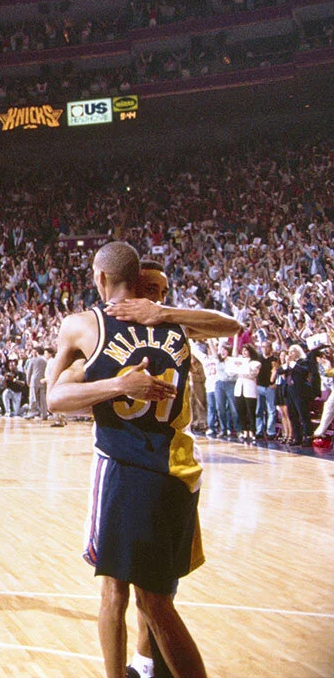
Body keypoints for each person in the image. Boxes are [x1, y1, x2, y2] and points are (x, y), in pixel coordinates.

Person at [47, 241, 242, 678]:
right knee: (151, 594)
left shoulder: (86, 325)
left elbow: (53, 396)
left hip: (128, 467)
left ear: (100, 277)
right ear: (137, 284)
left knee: (144, 599)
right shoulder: (177, 327)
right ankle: (146, 665)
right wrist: (166, 314)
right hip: (179, 469)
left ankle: (139, 667)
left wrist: (118, 385)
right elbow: (231, 325)